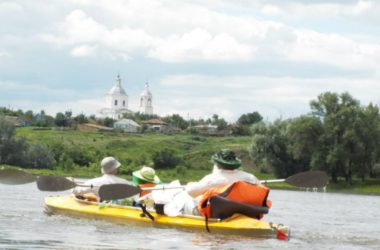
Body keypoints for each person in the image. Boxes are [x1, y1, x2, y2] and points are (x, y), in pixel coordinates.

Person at [186, 149, 260, 198]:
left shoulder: (212, 179)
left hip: (219, 216)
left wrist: (189, 184)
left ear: (217, 164)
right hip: (246, 213)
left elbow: (191, 192)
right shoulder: (250, 178)